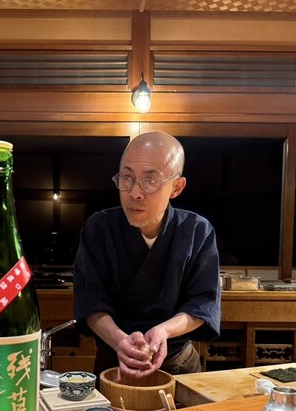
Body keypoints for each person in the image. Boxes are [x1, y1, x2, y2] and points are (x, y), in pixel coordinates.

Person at [73, 131, 220, 381]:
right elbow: (90, 302)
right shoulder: (99, 228)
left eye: (150, 181)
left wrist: (164, 331)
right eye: (127, 178)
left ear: (177, 187)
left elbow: (203, 304)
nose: (134, 193)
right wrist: (120, 341)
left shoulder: (197, 230)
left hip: (178, 365)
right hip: (113, 362)